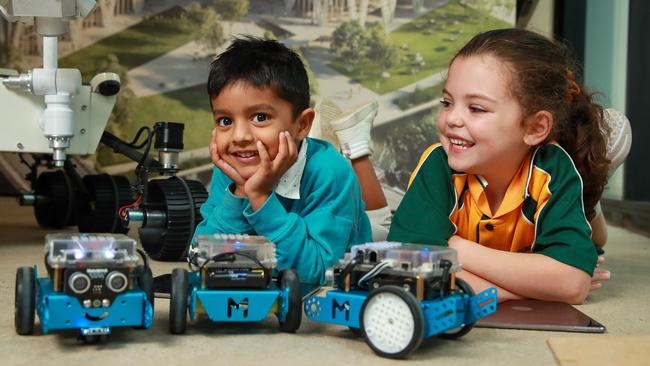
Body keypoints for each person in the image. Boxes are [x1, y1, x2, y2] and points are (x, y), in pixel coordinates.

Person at [387, 28, 616, 304]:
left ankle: (591, 202)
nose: (451, 119)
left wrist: (453, 246)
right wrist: (527, 288)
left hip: (569, 178)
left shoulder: (552, 169)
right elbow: (404, 269)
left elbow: (572, 284)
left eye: (477, 108)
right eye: (447, 102)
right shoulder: (438, 164)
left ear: (535, 127)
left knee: (596, 232)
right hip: (517, 263)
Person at [193, 37, 372, 285]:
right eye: (225, 121)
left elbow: (317, 273)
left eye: (259, 117)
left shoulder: (330, 173)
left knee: (379, 218)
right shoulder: (232, 170)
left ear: (302, 124)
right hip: (264, 296)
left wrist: (261, 197)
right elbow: (200, 259)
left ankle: (356, 144)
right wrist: (241, 192)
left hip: (317, 300)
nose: (239, 136)